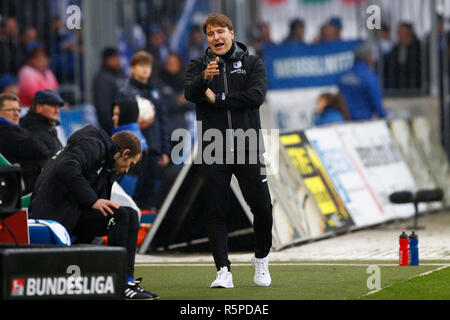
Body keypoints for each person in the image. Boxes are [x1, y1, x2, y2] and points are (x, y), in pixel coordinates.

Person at [184, 13, 273, 288]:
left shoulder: (252, 63)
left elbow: (256, 97)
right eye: (210, 34)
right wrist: (203, 80)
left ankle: (261, 258)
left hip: (248, 146)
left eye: (221, 31)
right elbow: (189, 93)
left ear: (232, 33)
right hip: (214, 147)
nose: (216, 38)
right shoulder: (199, 65)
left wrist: (218, 98)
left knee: (263, 208)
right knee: (216, 210)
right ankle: (223, 270)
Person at [28, 125, 159, 300]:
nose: (127, 170)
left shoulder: (106, 164)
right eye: (130, 164)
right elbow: (66, 167)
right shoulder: (93, 144)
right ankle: (118, 282)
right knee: (120, 215)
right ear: (125, 153)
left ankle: (127, 281)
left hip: (71, 213)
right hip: (53, 217)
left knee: (129, 214)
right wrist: (93, 200)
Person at [116, 50, 170, 210]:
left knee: (150, 190)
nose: (145, 69)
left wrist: (165, 150)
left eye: (148, 66)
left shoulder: (156, 92)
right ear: (132, 68)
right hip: (134, 149)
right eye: (141, 65)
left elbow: (162, 122)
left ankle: (146, 225)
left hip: (153, 148)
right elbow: (118, 121)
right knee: (133, 189)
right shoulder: (124, 92)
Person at [0, 92, 53, 194]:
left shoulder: (16, 130)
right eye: (11, 110)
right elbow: (37, 148)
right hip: (22, 192)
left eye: (18, 110)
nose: (16, 113)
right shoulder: (5, 132)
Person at [19, 90, 64, 191]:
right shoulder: (31, 129)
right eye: (53, 106)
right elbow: (50, 159)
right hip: (36, 189)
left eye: (58, 107)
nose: (57, 110)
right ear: (39, 108)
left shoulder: (47, 128)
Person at [337, 41, 387, 120]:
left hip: (345, 119)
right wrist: (383, 114)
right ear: (369, 58)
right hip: (364, 121)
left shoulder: (342, 76)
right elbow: (376, 102)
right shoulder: (370, 78)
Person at [93, 47, 126, 135]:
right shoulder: (102, 78)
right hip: (112, 126)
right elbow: (103, 107)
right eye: (113, 58)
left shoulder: (120, 74)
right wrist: (113, 124)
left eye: (117, 57)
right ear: (106, 60)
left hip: (124, 123)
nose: (117, 61)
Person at [17, 42, 59, 107]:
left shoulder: (48, 72)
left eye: (44, 56)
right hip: (28, 110)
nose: (41, 60)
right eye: (37, 57)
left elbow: (56, 91)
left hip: (47, 107)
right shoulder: (26, 72)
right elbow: (35, 96)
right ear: (30, 59)